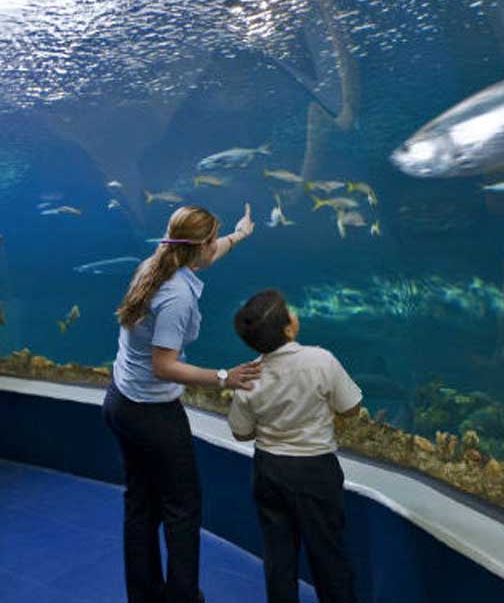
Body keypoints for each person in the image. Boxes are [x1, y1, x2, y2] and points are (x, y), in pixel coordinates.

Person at [104, 204, 261, 603]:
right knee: (182, 508)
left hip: (121, 399)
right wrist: (225, 377)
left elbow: (209, 252)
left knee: (140, 504)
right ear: (200, 247)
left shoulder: (153, 264)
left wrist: (240, 235)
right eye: (215, 239)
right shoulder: (177, 297)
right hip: (150, 413)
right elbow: (164, 366)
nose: (216, 246)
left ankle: (144, 595)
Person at [228, 289, 362, 603]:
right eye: (289, 310)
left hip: (269, 470)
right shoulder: (321, 361)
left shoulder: (248, 375)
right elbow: (352, 407)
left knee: (279, 556)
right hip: (316, 471)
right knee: (328, 553)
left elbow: (241, 433)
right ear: (289, 327)